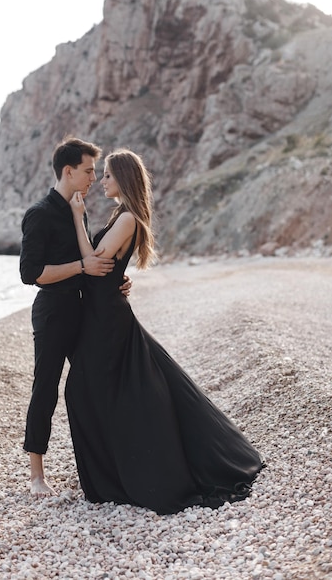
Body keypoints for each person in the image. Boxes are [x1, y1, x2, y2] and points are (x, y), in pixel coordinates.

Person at [66, 148, 265, 515]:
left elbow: (94, 265)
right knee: (113, 389)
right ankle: (114, 473)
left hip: (106, 319)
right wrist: (116, 278)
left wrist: (78, 219)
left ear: (123, 178)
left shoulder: (127, 219)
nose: (102, 181)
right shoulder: (120, 216)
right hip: (102, 314)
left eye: (108, 175)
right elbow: (107, 269)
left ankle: (127, 475)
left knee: (94, 390)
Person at [19, 136, 131, 496]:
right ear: (68, 171)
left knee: (90, 384)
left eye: (95, 171)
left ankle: (103, 464)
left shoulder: (76, 210)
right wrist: (83, 265)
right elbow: (31, 273)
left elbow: (94, 259)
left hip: (84, 311)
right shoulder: (39, 213)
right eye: (87, 171)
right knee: (46, 387)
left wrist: (115, 278)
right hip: (53, 312)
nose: (93, 178)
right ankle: (37, 474)